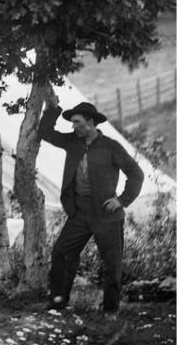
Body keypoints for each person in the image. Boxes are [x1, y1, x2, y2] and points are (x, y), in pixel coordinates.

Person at [39, 99, 144, 314]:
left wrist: (122, 200)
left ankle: (110, 311)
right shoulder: (72, 142)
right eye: (72, 122)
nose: (73, 126)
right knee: (61, 252)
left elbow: (136, 174)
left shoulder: (111, 146)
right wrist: (53, 108)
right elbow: (45, 132)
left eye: (77, 122)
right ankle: (58, 302)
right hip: (79, 213)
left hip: (107, 215)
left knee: (112, 264)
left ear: (91, 122)